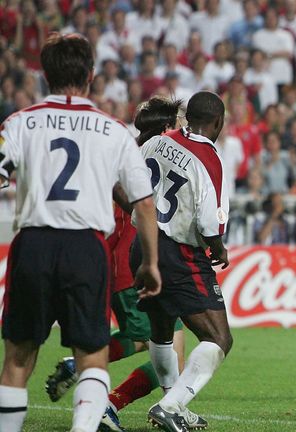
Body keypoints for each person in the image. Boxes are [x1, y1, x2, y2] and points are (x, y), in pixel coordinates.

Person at [0, 33, 161, 432]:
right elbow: (143, 202)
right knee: (92, 356)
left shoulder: (20, 123)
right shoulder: (113, 130)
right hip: (86, 248)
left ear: (45, 75)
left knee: (18, 358)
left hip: (33, 244)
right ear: (90, 75)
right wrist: (152, 263)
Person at [42, 96, 207, 432]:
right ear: (164, 128)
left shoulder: (123, 153)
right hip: (132, 265)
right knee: (169, 347)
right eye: (176, 126)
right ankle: (116, 403)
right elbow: (149, 212)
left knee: (157, 339)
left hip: (111, 260)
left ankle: (155, 404)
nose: (180, 133)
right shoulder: (146, 160)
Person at [133, 91, 233, 432]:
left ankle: (171, 402)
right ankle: (171, 404)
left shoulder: (156, 141)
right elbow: (209, 225)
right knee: (219, 338)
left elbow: (131, 185)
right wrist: (219, 249)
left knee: (162, 331)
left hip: (142, 245)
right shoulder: (210, 160)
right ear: (218, 122)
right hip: (179, 253)